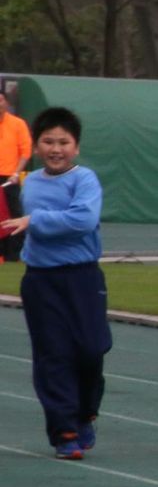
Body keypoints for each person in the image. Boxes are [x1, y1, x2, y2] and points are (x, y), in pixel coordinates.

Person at [1, 107, 112, 459]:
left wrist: (35, 220)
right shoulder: (31, 182)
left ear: (76, 147)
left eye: (63, 142)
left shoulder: (85, 180)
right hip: (41, 280)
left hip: (83, 277)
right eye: (48, 142)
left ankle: (85, 412)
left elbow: (83, 219)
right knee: (53, 355)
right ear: (36, 146)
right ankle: (64, 431)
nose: (56, 149)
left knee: (92, 349)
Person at [0, 91, 33, 261]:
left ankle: (13, 254)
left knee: (13, 215)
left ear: (6, 103)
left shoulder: (18, 124)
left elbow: (25, 151)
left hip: (9, 179)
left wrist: (16, 173)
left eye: (0, 100)